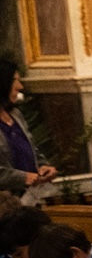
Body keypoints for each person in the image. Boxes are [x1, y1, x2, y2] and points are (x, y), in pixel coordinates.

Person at [0, 59, 55, 190]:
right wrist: (23, 177)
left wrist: (44, 167)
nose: (20, 86)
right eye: (15, 80)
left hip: (31, 196)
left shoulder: (16, 114)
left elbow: (31, 149)